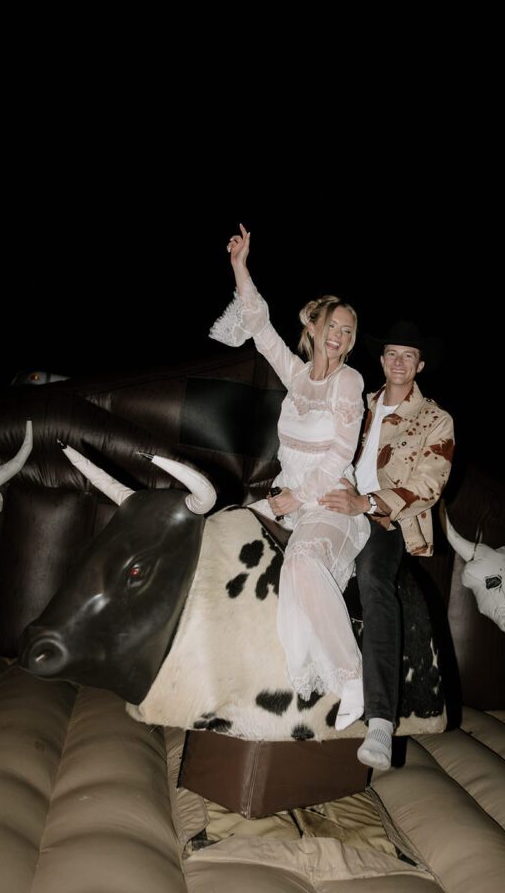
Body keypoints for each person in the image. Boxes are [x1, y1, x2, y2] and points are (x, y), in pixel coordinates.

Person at [209, 224, 370, 729]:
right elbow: (260, 329)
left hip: (332, 505)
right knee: (223, 527)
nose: (340, 336)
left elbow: (339, 454)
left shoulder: (350, 381)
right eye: (334, 325)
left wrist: (296, 498)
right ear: (314, 327)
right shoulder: (296, 375)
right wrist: (240, 266)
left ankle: (353, 679)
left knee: (300, 559)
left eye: (349, 331)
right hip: (292, 501)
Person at [320, 321, 454, 768]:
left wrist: (367, 502)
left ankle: (380, 720)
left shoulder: (436, 419)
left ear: (420, 365)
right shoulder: (358, 402)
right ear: (380, 360)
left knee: (375, 581)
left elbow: (430, 485)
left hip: (385, 521)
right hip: (334, 505)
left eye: (408, 355)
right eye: (392, 353)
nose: (398, 362)